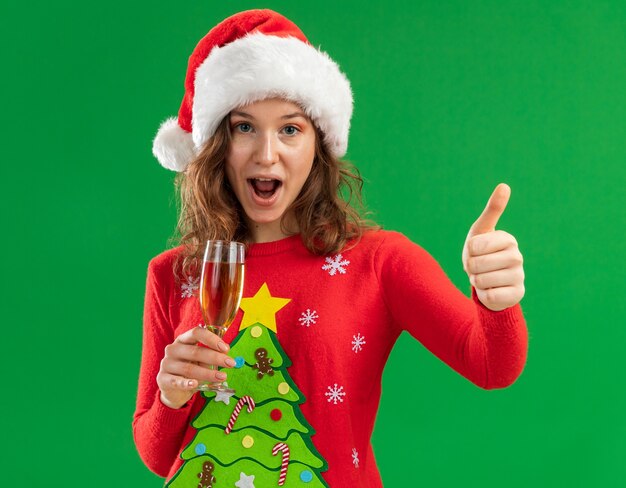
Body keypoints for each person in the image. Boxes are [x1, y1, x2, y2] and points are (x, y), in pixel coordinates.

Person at [133, 9, 527, 487]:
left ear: (319, 145)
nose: (266, 154)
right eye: (244, 127)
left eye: (290, 129)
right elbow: (157, 455)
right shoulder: (174, 273)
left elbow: (492, 365)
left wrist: (496, 300)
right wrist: (172, 396)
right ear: (217, 144)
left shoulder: (379, 262)